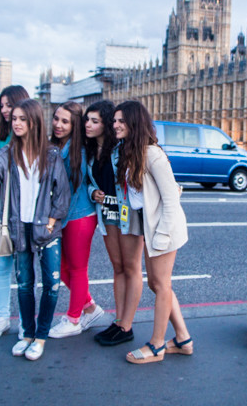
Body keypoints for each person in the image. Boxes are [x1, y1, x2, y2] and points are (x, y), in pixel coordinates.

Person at [0, 99, 70, 361]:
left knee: (51, 285)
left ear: (33, 122)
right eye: (15, 119)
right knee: (24, 284)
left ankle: (41, 336)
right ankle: (27, 334)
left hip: (45, 230)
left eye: (22, 119)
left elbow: (63, 195)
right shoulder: (9, 152)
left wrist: (52, 221)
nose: (17, 123)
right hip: (19, 227)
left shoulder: (51, 154)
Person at [112, 101, 192, 365]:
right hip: (149, 225)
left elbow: (171, 199)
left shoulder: (153, 155)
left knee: (160, 285)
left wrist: (161, 237)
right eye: (114, 121)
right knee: (157, 284)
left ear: (135, 122)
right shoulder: (128, 152)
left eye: (121, 121)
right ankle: (182, 338)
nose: (116, 125)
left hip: (164, 228)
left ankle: (157, 345)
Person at [86, 100, 142, 347]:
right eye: (86, 120)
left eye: (94, 121)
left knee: (131, 267)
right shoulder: (89, 152)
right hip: (107, 210)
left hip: (127, 211)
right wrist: (92, 192)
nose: (88, 124)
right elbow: (90, 181)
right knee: (117, 267)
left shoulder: (119, 148)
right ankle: (118, 321)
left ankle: (127, 325)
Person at [47, 101, 104, 339]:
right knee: (60, 267)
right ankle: (89, 307)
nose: (58, 125)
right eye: (56, 119)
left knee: (77, 268)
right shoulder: (55, 146)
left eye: (65, 121)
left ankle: (74, 320)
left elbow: (72, 187)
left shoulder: (77, 152)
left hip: (79, 216)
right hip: (63, 217)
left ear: (75, 125)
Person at [0, 85, 30, 340]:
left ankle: (25, 322)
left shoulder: (31, 137)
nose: (4, 110)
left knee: (23, 269)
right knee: (1, 266)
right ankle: (2, 318)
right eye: (2, 106)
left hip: (22, 213)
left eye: (8, 105)